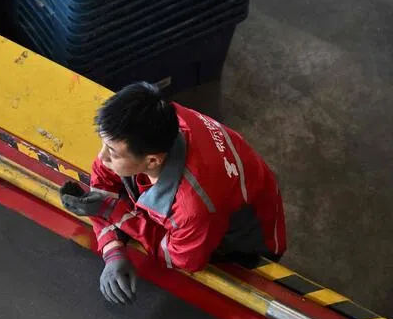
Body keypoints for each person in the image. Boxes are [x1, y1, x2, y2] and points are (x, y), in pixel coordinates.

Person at [59, 82, 286, 304]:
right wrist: (112, 248)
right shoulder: (157, 120)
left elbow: (180, 258)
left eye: (112, 152)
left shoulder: (193, 207)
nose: (101, 157)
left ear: (153, 160)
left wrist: (111, 210)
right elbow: (103, 183)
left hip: (247, 236)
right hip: (224, 190)